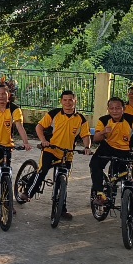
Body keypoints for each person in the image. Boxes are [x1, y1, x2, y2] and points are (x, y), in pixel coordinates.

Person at [19, 90, 92, 220]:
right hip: (51, 150)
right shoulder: (54, 114)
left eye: (70, 100)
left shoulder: (81, 119)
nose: (68, 102)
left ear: (75, 101)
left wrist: (87, 147)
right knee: (42, 171)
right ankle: (28, 193)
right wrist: (43, 141)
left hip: (67, 153)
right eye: (65, 100)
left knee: (62, 181)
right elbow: (39, 127)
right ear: (61, 101)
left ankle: (61, 209)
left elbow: (85, 135)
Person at [90, 97, 133, 230]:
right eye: (112, 108)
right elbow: (96, 138)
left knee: (130, 182)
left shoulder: (132, 120)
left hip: (124, 150)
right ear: (108, 109)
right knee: (95, 165)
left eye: (118, 108)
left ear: (124, 109)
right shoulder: (104, 120)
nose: (115, 111)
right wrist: (104, 132)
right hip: (107, 147)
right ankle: (100, 194)